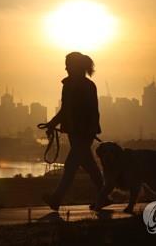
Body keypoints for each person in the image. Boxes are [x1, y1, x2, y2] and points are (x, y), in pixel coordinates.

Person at [41, 52, 111, 211]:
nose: (65, 67)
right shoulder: (73, 85)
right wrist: (52, 124)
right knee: (90, 166)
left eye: (68, 64)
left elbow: (93, 111)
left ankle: (56, 199)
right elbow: (65, 110)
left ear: (75, 66)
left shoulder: (85, 86)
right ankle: (104, 197)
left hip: (83, 134)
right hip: (76, 133)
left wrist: (91, 129)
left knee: (71, 166)